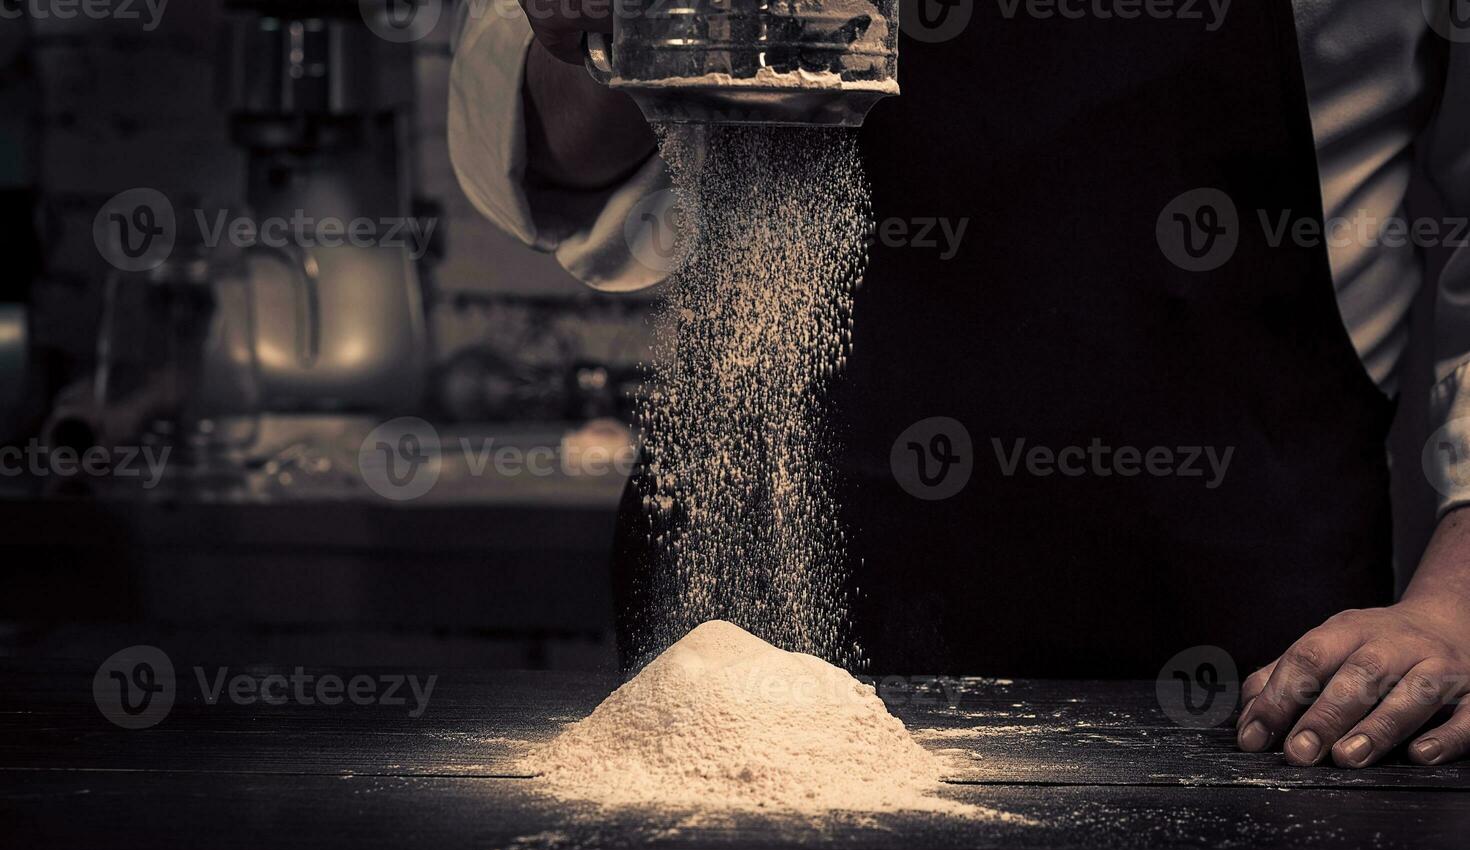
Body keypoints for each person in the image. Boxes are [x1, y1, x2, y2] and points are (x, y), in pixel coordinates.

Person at [448, 0, 1470, 768]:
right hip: (762, 596)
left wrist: (1458, 604)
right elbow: (567, 155)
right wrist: (589, 29)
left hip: (1255, 656)